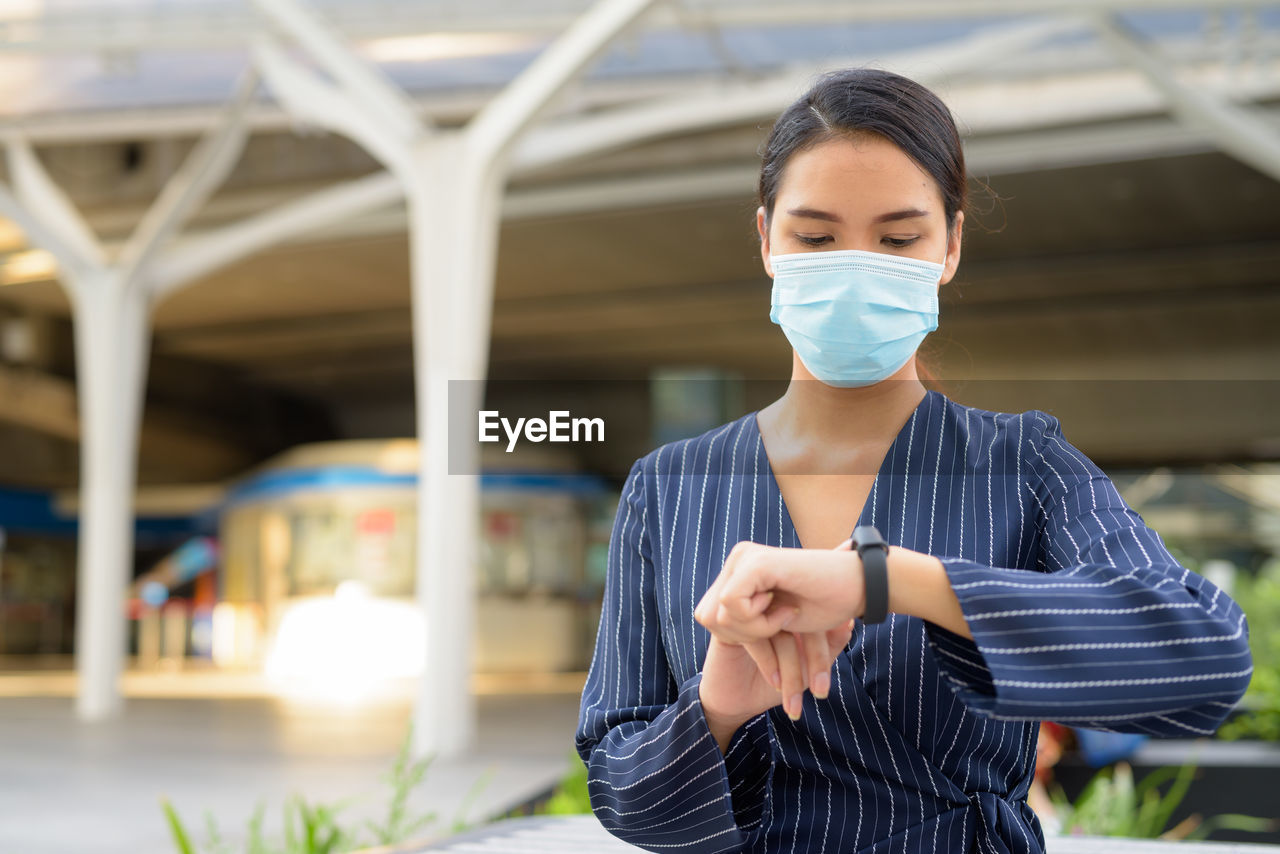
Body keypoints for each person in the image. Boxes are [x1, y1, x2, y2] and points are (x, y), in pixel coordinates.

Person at [573, 67, 1253, 854]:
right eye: (815, 237)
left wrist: (890, 579)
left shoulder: (1022, 464)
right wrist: (717, 710)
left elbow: (1203, 656)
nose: (856, 267)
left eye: (898, 240)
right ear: (766, 241)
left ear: (951, 247)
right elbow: (623, 798)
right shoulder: (670, 489)